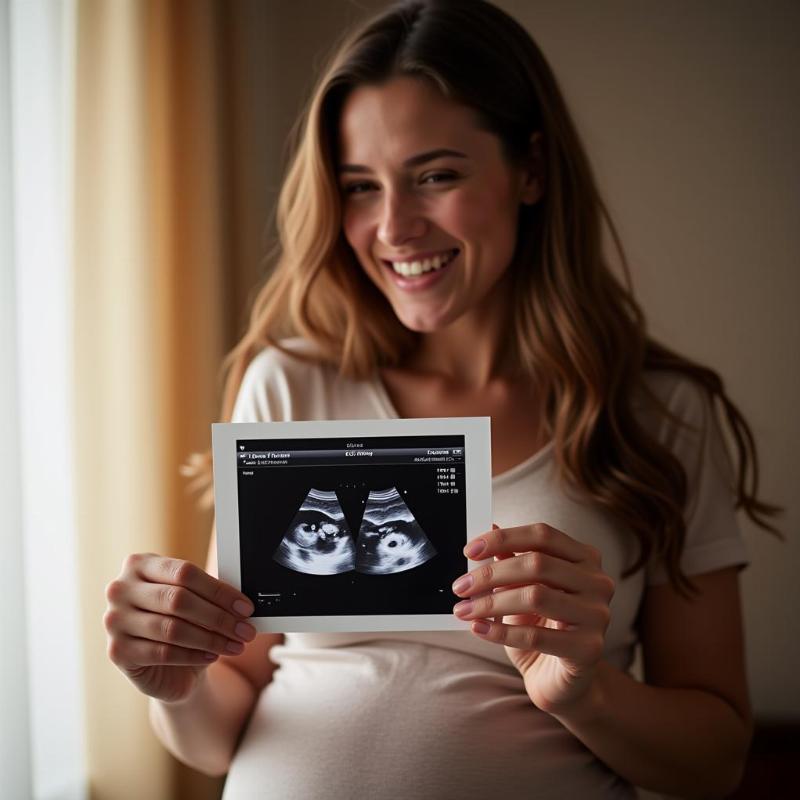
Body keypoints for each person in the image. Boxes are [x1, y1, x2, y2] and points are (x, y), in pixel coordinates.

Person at [103, 1, 781, 797]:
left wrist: (585, 692)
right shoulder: (290, 384)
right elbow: (217, 737)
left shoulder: (659, 415)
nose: (393, 226)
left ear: (531, 169)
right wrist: (170, 680)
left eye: (436, 175)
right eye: (360, 187)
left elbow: (713, 763)